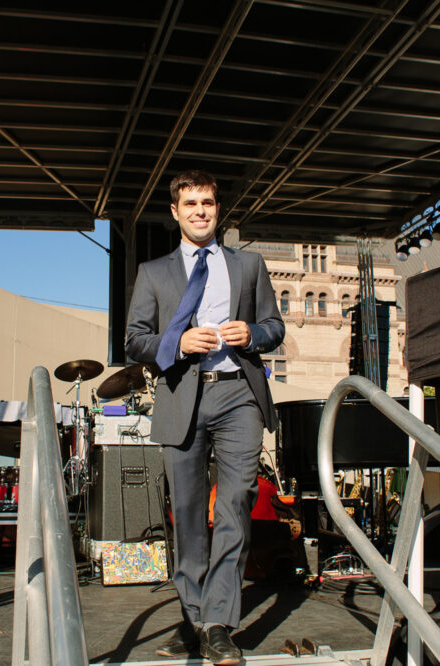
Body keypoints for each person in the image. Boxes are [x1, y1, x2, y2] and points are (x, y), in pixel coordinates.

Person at [125, 169, 285, 665]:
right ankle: (195, 618)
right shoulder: (154, 272)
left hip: (238, 394)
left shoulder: (250, 265)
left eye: (208, 203)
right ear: (175, 211)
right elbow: (134, 339)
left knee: (235, 503)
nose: (200, 211)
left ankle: (217, 622)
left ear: (218, 210)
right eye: (190, 203)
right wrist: (177, 343)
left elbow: (275, 327)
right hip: (182, 397)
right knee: (189, 516)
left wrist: (252, 334)